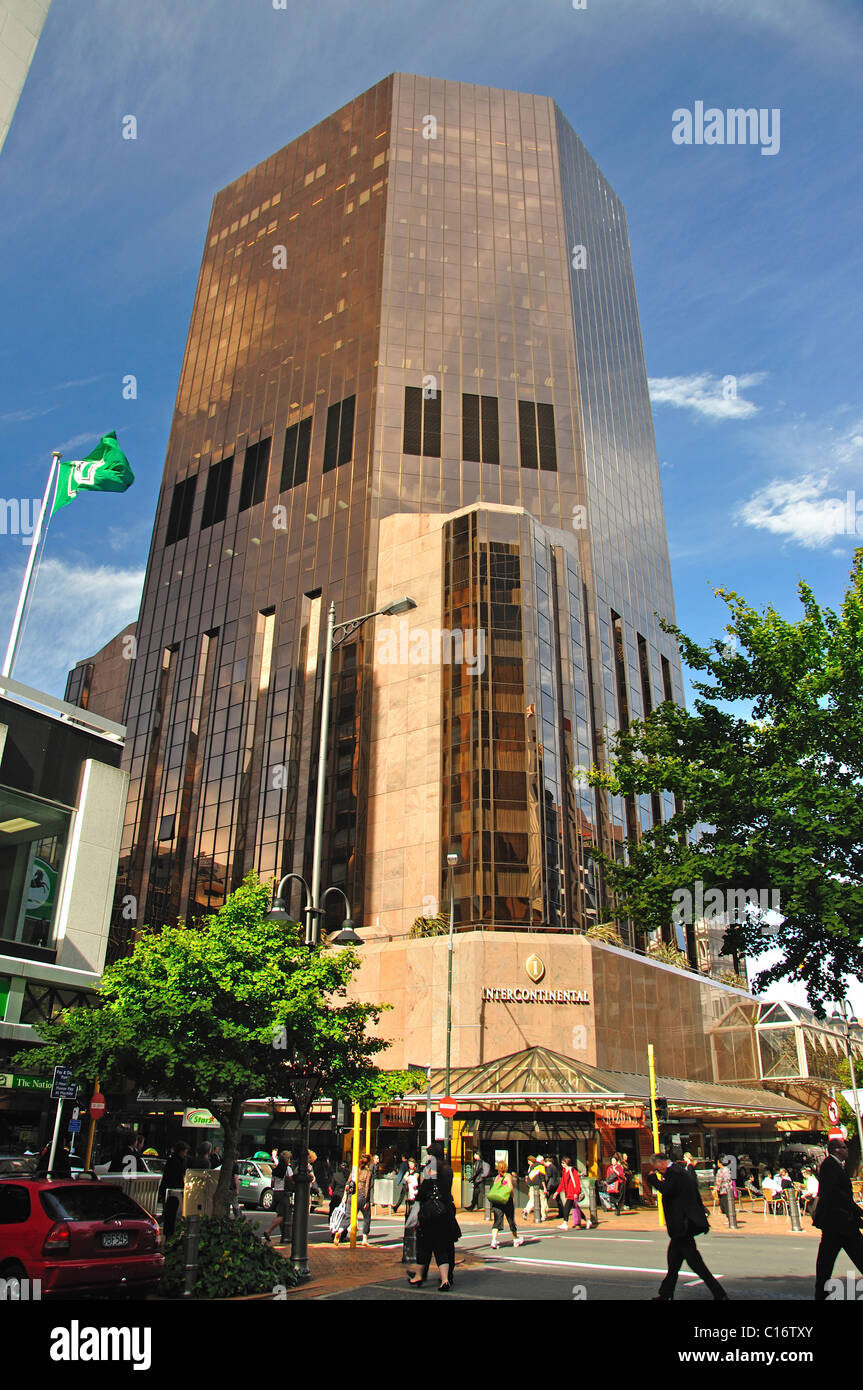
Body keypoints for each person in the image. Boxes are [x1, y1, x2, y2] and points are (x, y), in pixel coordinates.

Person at [645, 1152, 728, 1301]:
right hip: (682, 1227)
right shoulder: (677, 1171)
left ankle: (719, 1294)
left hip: (682, 1227)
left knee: (695, 1265)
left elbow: (667, 1189)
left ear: (662, 1162)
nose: (657, 1170)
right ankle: (665, 1294)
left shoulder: (675, 1173)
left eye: (656, 1167)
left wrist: (652, 1179)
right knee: (674, 1262)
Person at [812, 1138, 863, 1300]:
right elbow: (836, 1194)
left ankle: (820, 1291)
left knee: (826, 1261)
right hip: (838, 1222)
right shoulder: (830, 1165)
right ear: (836, 1150)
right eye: (844, 1147)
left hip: (840, 1224)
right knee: (826, 1261)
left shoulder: (836, 1166)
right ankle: (820, 1291)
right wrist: (857, 1211)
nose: (847, 1150)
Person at [408, 1140, 461, 1290]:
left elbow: (425, 1188)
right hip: (445, 1211)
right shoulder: (448, 1169)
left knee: (425, 1245)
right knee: (444, 1246)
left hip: (431, 1212)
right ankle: (446, 1278)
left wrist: (418, 1201)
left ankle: (421, 1276)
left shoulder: (431, 1170)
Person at [487, 1159, 524, 1250]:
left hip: (496, 1201)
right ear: (506, 1168)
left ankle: (494, 1241)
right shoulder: (508, 1176)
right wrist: (513, 1198)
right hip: (506, 1200)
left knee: (497, 1222)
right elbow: (510, 1188)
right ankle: (515, 1238)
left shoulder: (497, 1177)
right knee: (510, 1219)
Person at [159, 1142, 189, 1238]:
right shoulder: (178, 1162)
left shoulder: (172, 1161)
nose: (185, 1154)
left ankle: (169, 1235)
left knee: (169, 1215)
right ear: (181, 1151)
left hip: (170, 1190)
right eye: (185, 1152)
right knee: (174, 1215)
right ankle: (172, 1235)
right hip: (174, 1190)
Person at [264, 1149, 293, 1243]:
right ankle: (269, 1231)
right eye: (289, 1158)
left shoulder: (275, 1170)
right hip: (283, 1193)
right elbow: (292, 1180)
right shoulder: (287, 1169)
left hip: (275, 1192)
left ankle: (283, 1236)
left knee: (280, 1214)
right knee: (283, 1215)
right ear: (287, 1159)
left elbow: (272, 1184)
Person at [555, 1156, 584, 1230]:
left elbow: (577, 1182)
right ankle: (588, 1221)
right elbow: (562, 1183)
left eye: (563, 1163)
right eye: (562, 1163)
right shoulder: (564, 1171)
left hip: (572, 1193)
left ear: (567, 1163)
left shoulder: (573, 1171)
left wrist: (576, 1192)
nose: (562, 1164)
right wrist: (557, 1192)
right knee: (577, 1209)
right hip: (568, 1193)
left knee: (566, 1208)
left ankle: (565, 1223)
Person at [401, 1157, 421, 1263]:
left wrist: (409, 1178)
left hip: (415, 1192)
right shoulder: (409, 1171)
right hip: (410, 1192)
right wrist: (408, 1178)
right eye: (409, 1164)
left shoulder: (417, 1171)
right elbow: (405, 1178)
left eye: (411, 1164)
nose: (410, 1165)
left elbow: (414, 1179)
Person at [523, 1155, 548, 1223]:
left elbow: (528, 1177)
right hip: (539, 1186)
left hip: (531, 1186)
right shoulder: (541, 1166)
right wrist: (545, 1187)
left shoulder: (531, 1167)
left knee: (532, 1200)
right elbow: (542, 1178)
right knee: (543, 1201)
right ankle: (543, 1216)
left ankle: (526, 1210)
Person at [356, 1153, 374, 1247]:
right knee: (367, 1217)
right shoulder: (368, 1172)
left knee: (350, 1215)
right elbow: (367, 1186)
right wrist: (367, 1199)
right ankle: (364, 1238)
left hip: (354, 1194)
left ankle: (344, 1230)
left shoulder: (356, 1169)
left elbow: (350, 1180)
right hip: (363, 1195)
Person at [714, 1158, 734, 1225]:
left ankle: (730, 1220)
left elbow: (719, 1181)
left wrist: (716, 1189)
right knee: (728, 1205)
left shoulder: (721, 1171)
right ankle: (730, 1219)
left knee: (725, 1206)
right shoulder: (727, 1169)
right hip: (729, 1190)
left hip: (723, 1190)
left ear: (720, 1163)